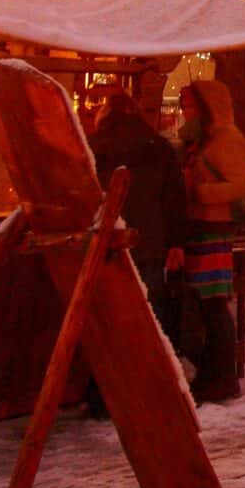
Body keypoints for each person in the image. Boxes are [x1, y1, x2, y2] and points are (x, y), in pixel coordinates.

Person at [84, 86, 188, 418]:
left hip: (104, 246)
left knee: (104, 322)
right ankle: (145, 390)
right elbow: (174, 199)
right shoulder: (159, 147)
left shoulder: (93, 148)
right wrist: (176, 243)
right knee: (146, 320)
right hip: (149, 244)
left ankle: (103, 397)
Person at [177, 79, 245, 404]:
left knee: (213, 303)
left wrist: (201, 193)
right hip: (199, 226)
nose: (185, 112)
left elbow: (240, 185)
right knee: (203, 302)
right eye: (184, 106)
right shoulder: (198, 140)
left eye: (190, 106)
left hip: (214, 227)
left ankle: (222, 375)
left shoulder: (227, 139)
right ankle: (212, 372)